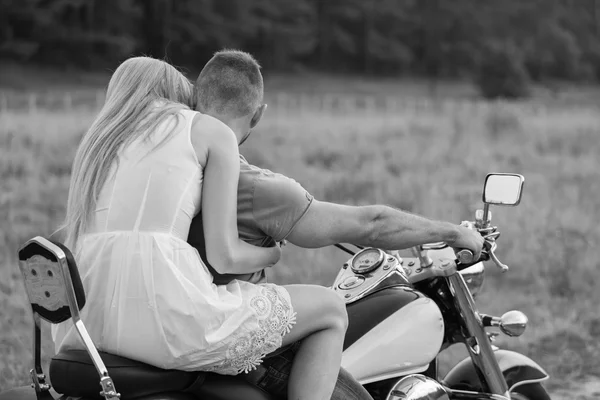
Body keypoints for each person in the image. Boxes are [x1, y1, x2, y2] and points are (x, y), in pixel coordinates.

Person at [188, 49, 485, 399]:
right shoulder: (256, 187)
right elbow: (370, 225)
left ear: (194, 100)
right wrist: (454, 232)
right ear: (257, 116)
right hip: (231, 346)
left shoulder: (165, 171)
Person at [51, 56, 349, 400]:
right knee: (330, 308)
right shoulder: (207, 130)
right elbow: (225, 257)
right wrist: (273, 253)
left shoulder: (99, 143)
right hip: (165, 312)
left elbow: (66, 237)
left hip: (87, 320)